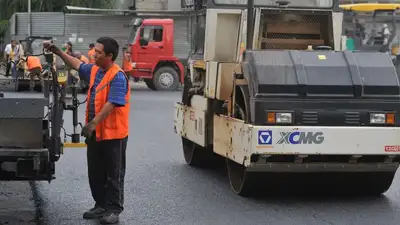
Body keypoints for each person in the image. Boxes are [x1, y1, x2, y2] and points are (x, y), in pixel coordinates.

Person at [43, 37, 130, 224]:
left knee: (113, 174)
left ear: (109, 56)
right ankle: (100, 205)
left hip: (113, 136)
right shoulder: (94, 70)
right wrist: (58, 52)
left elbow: (112, 103)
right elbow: (76, 64)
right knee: (95, 172)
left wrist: (92, 124)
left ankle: (113, 209)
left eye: (98, 53)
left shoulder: (118, 76)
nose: (94, 55)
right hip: (96, 135)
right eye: (95, 51)